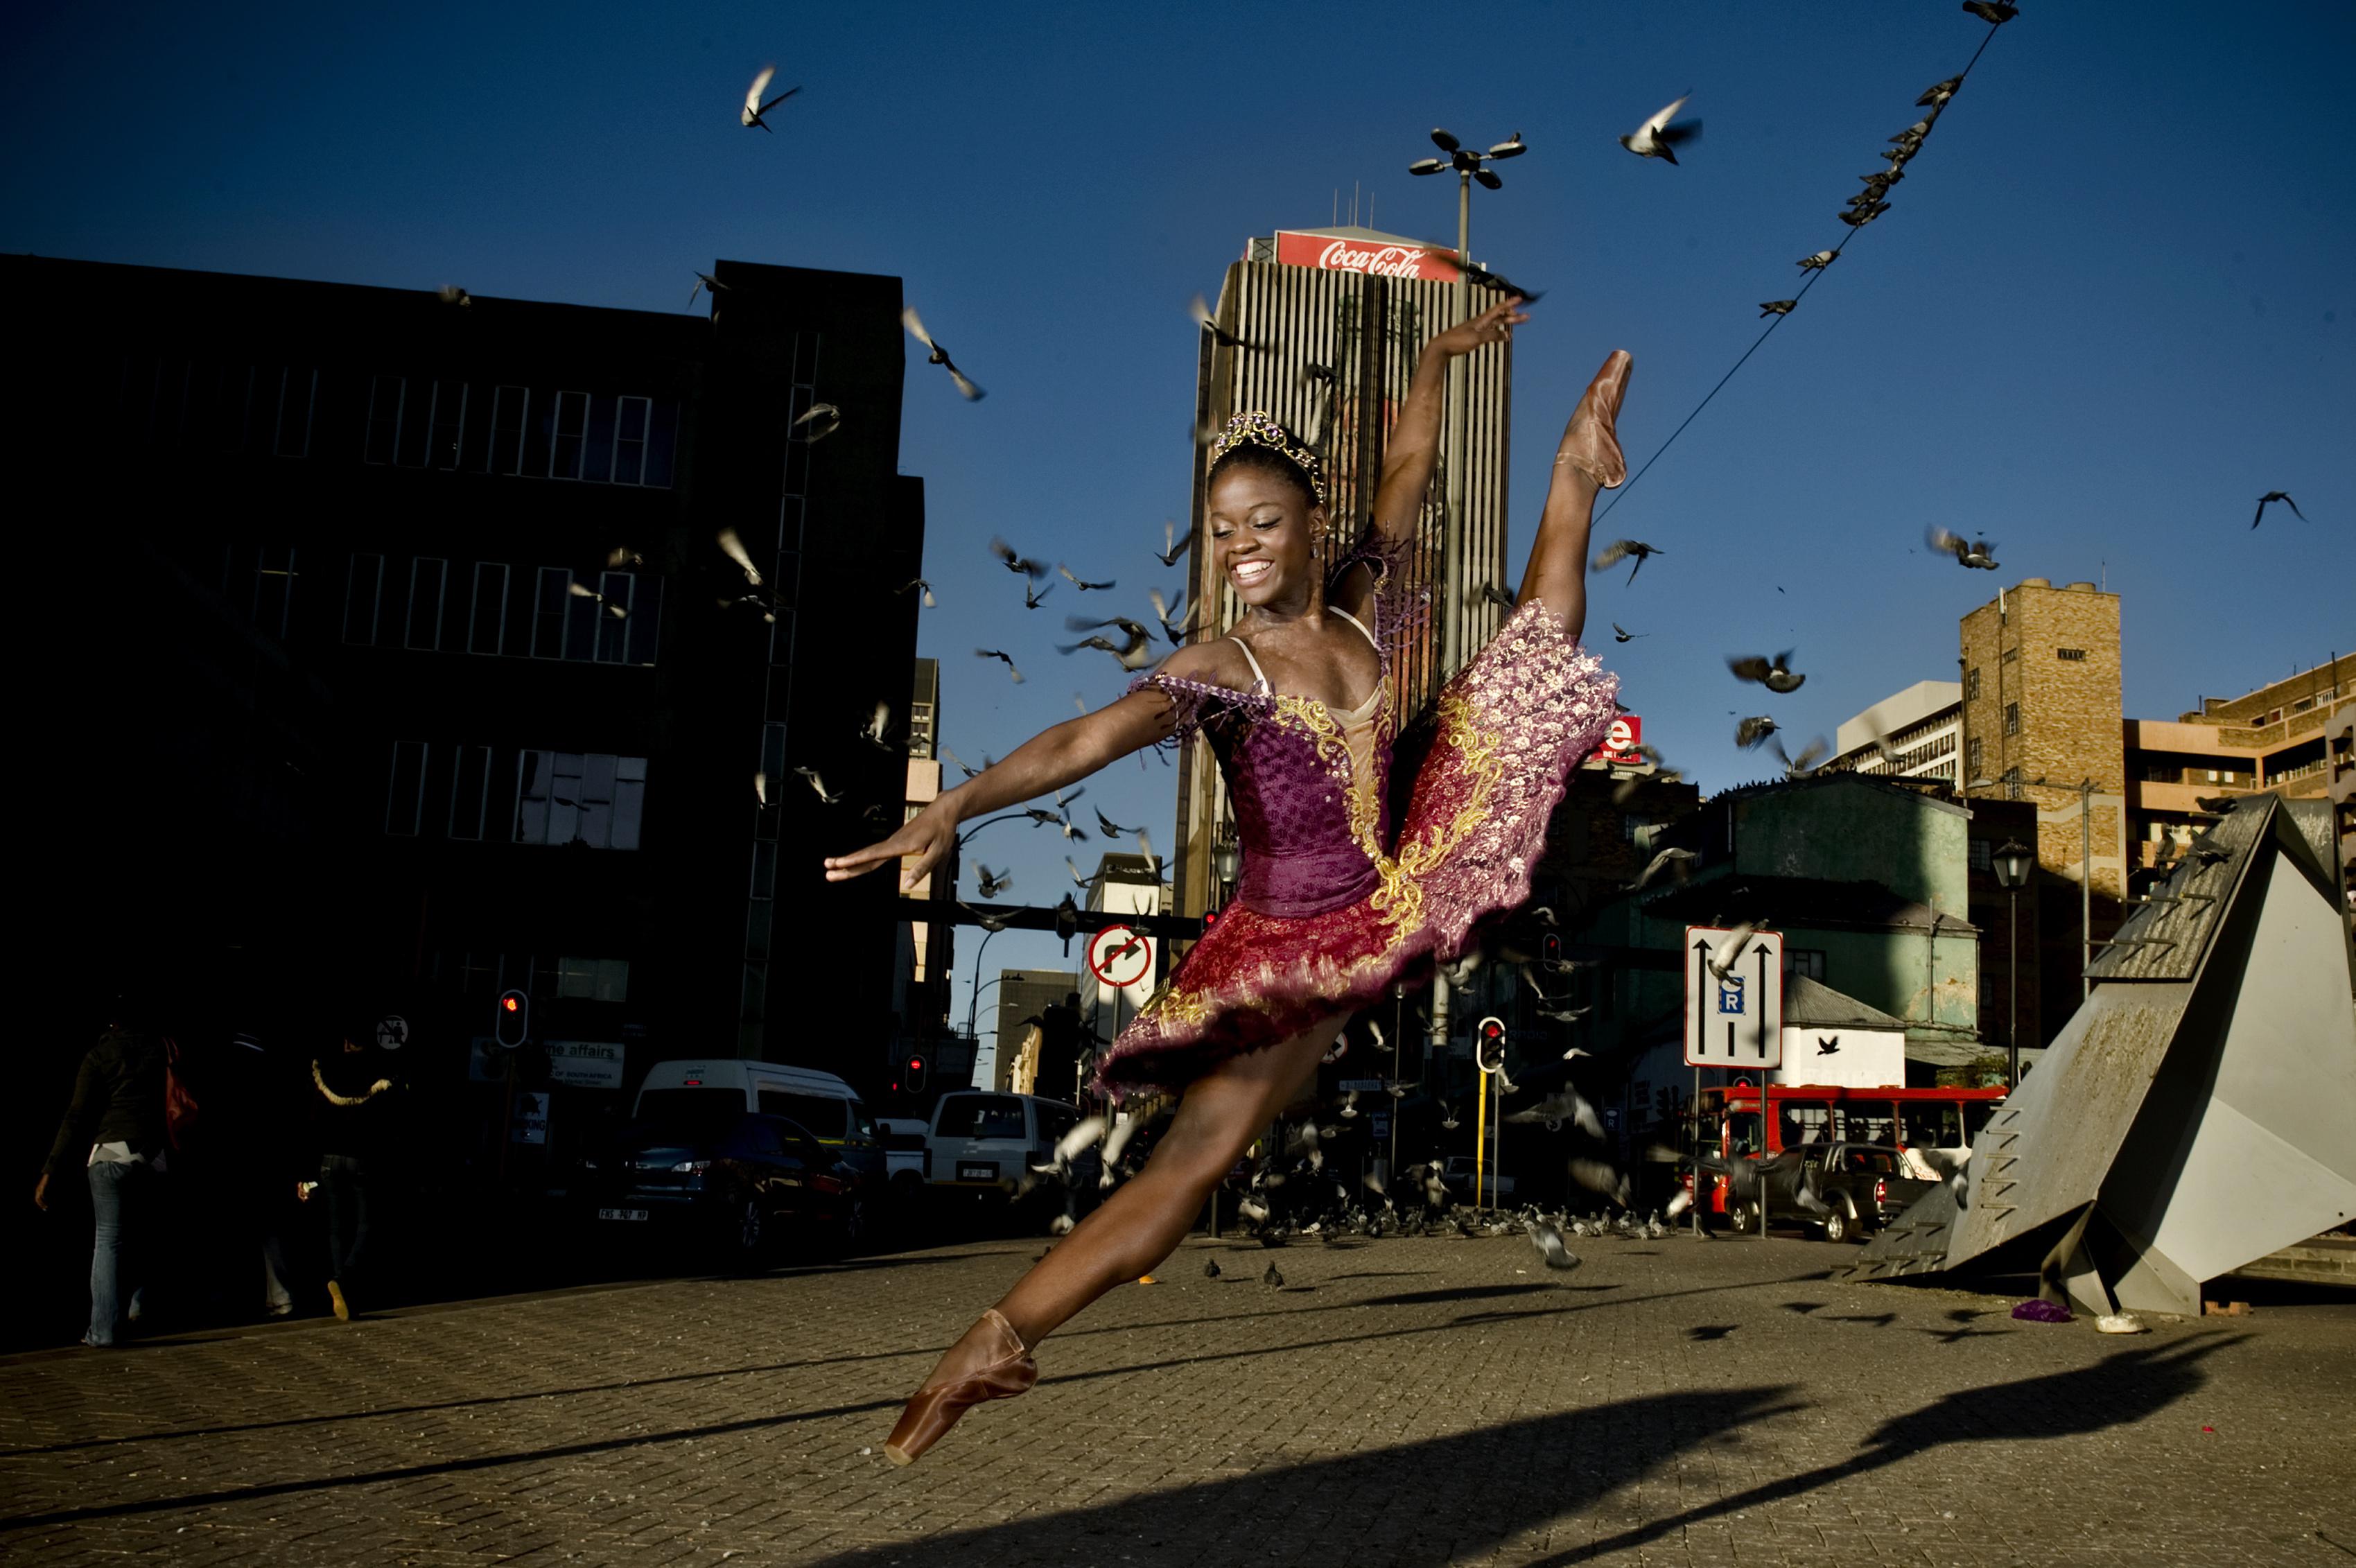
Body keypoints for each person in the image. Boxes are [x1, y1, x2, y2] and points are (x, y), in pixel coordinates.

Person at [826, 298, 1630, 1465]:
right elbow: (1082, 742)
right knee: (1194, 1161)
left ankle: (1571, 469)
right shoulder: (1222, 667)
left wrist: (1436, 359)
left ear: (1310, 526)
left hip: (1389, 879)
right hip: (1293, 940)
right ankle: (991, 1339)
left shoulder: (1361, 607)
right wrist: (953, 802)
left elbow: (1406, 464)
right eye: (1218, 529)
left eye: (1261, 521)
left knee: (1527, 656)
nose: (1239, 545)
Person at [35, 1020, 169, 1347]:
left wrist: (49, 1170)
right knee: (144, 1236)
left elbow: (76, 1115)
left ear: (111, 1024)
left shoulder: (99, 1055)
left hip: (112, 1153)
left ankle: (103, 1330)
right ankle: (138, 1310)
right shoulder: (161, 1049)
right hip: (154, 1156)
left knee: (109, 1241)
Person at [306, 1031, 404, 1320]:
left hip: (329, 1159)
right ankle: (345, 1281)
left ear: (346, 1043)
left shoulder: (326, 1072)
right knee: (367, 1225)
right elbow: (389, 1125)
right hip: (362, 1158)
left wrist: (308, 1170)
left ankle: (341, 1291)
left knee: (337, 1227)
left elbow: (313, 1121)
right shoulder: (379, 1074)